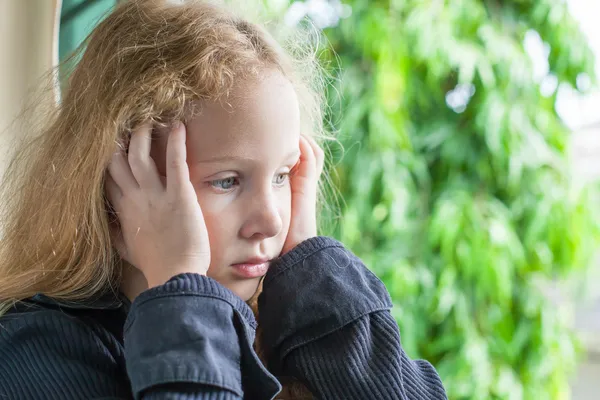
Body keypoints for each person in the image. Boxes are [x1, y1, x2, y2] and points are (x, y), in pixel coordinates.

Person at [0, 1, 447, 399]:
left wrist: (310, 270)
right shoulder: (34, 349)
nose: (270, 221)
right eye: (228, 181)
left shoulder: (279, 324)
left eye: (281, 175)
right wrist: (179, 286)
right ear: (120, 185)